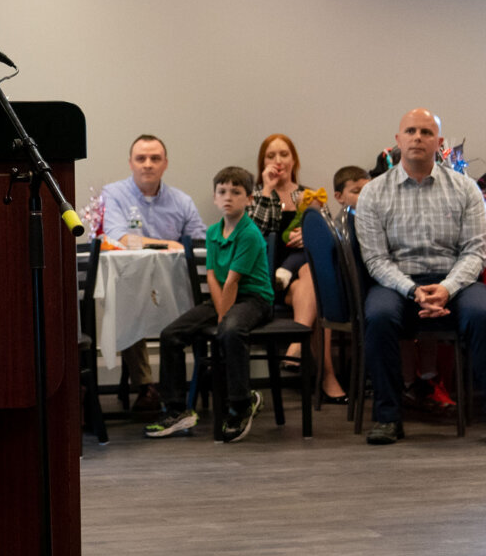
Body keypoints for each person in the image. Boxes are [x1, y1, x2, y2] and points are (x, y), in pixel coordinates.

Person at [354, 108, 486, 447]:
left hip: (454, 280)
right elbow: (375, 258)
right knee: (379, 316)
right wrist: (413, 290)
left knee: (484, 316)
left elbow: (475, 251)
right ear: (398, 140)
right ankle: (388, 418)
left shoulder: (465, 189)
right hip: (396, 282)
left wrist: (445, 289)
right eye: (411, 131)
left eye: (426, 133)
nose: (418, 138)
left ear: (439, 143)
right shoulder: (373, 192)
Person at [146, 167, 274, 442]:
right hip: (224, 296)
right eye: (222, 192)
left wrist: (224, 319)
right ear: (215, 197)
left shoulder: (249, 234)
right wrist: (221, 313)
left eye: (236, 192)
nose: (228, 197)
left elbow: (234, 282)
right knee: (171, 335)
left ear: (249, 199)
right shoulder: (214, 231)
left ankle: (241, 405)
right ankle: (178, 409)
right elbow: (214, 277)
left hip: (254, 298)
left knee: (230, 331)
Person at [98, 134, 206, 412]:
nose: (148, 164)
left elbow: (200, 241)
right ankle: (147, 387)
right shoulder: (114, 193)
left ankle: (186, 390)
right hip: (132, 284)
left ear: (165, 164)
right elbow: (116, 237)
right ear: (130, 163)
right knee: (128, 307)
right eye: (141, 158)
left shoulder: (181, 201)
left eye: (155, 158)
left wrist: (179, 245)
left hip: (175, 285)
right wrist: (166, 244)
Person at [249, 134, 344, 400]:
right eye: (271, 156)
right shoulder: (254, 195)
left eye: (283, 154)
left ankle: (296, 344)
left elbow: (330, 240)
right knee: (316, 293)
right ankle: (327, 377)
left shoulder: (308, 195)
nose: (278, 161)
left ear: (294, 160)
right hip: (269, 279)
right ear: (262, 163)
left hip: (302, 281)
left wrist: (311, 234)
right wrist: (267, 190)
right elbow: (251, 237)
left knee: (310, 279)